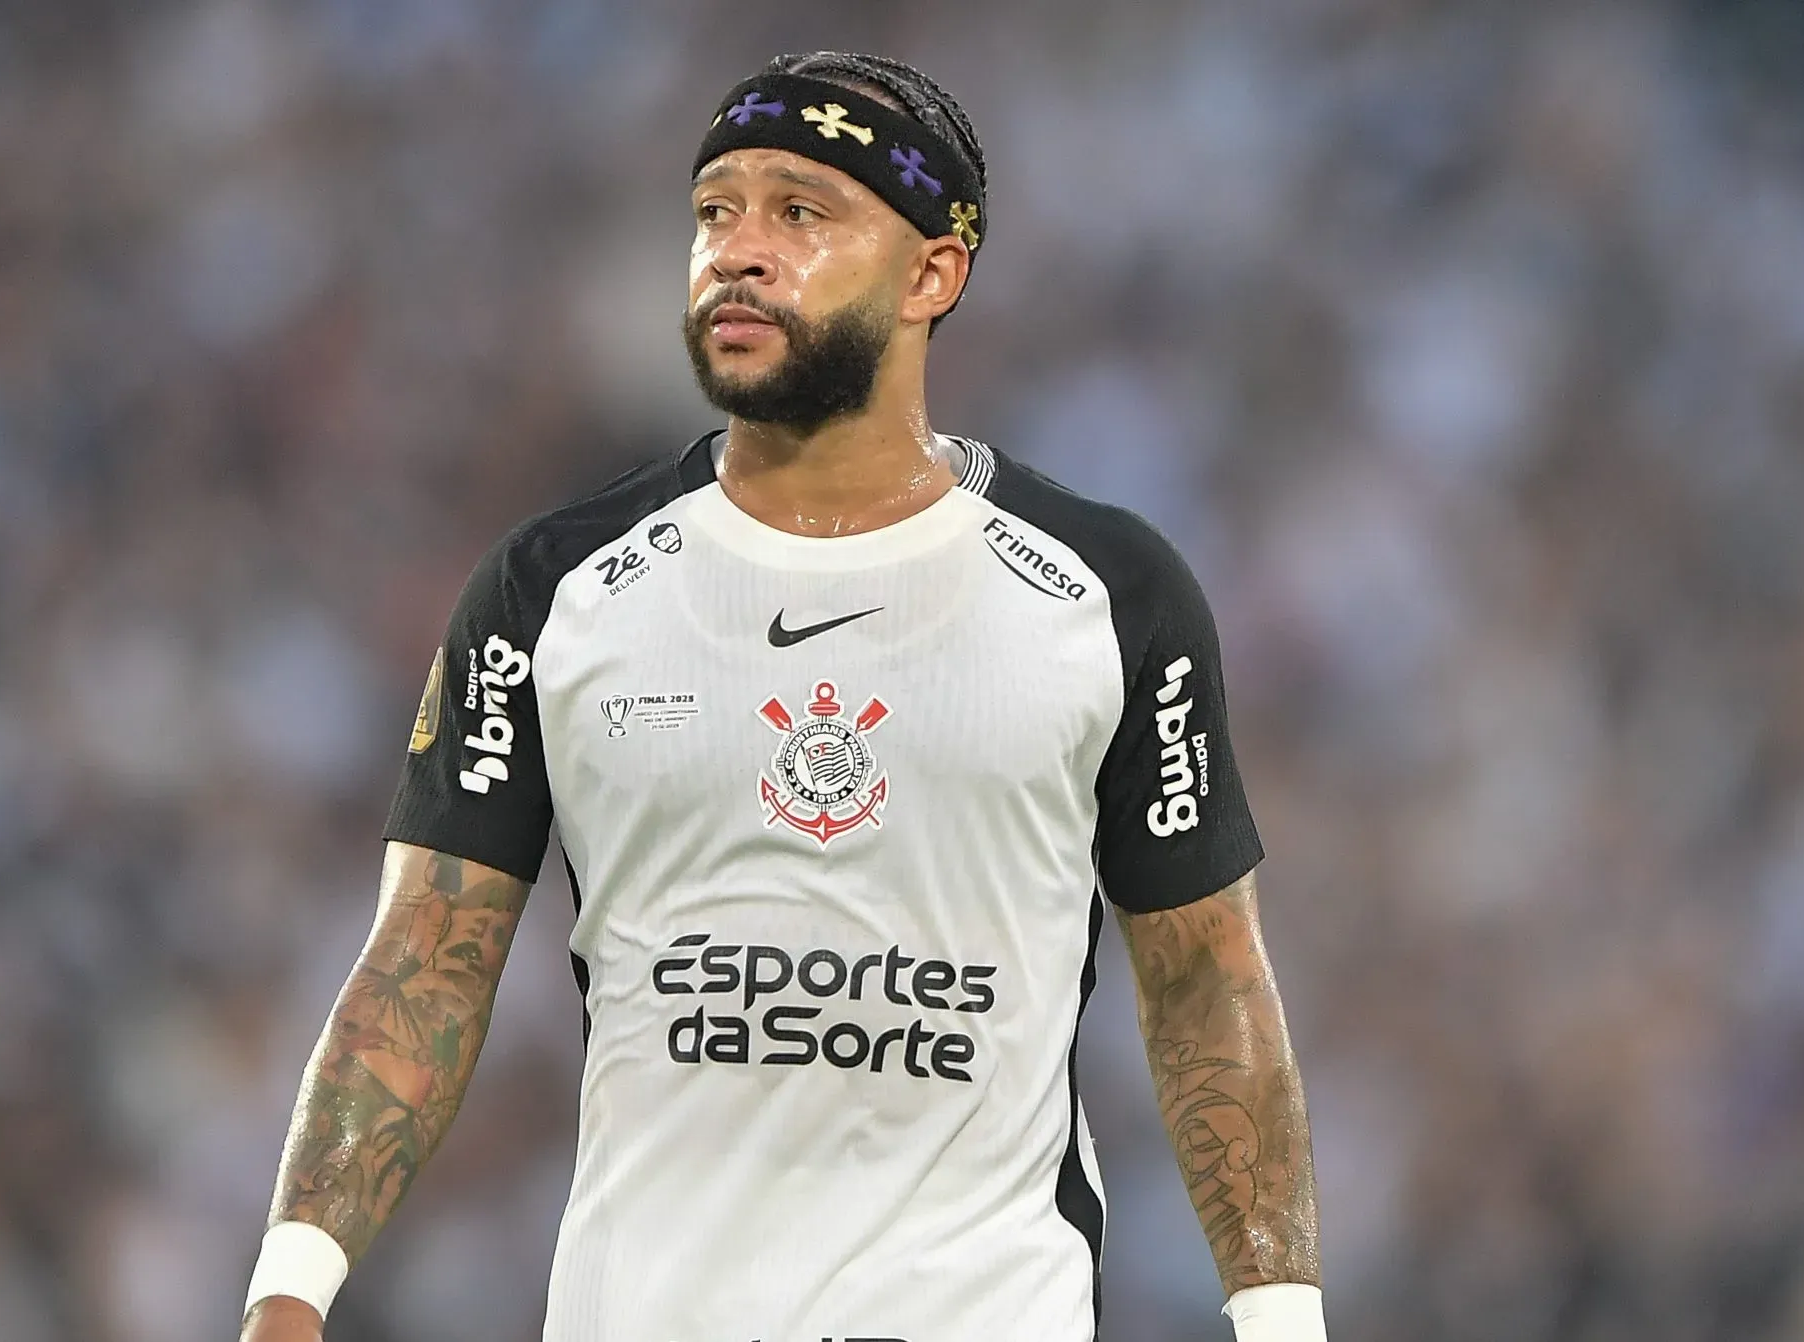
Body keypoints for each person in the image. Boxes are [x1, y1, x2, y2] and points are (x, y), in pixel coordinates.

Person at [238, 50, 1325, 1342]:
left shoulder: (1109, 591)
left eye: (801, 212)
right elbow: (429, 957)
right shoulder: (552, 589)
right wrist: (290, 1293)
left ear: (934, 272)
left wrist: (1281, 1323)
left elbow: (1206, 977)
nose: (737, 252)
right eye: (714, 213)